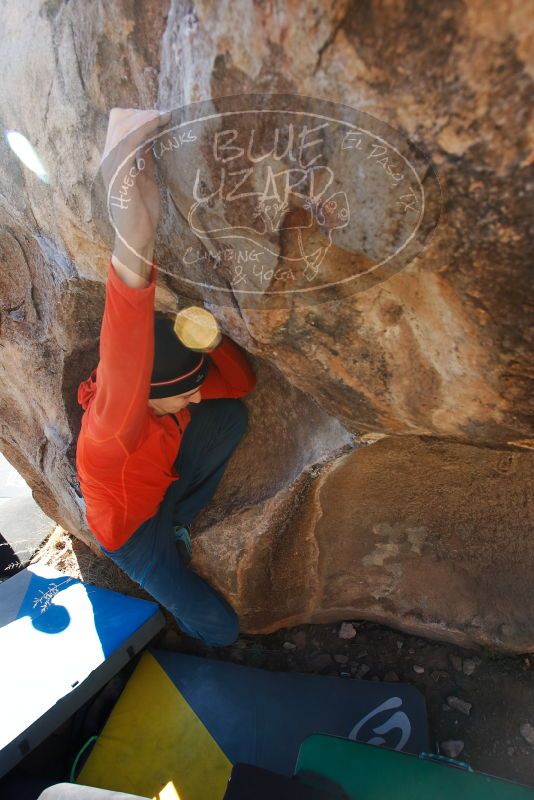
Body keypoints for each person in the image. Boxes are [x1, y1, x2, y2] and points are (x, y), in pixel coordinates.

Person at [75, 108, 256, 647]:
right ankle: (186, 633)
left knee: (228, 418)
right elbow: (125, 324)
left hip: (154, 484)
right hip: (132, 538)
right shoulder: (114, 425)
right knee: (222, 629)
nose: (195, 390)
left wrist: (214, 340)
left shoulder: (168, 397)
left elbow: (239, 387)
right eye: (190, 385)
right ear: (151, 394)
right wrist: (134, 230)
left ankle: (177, 515)